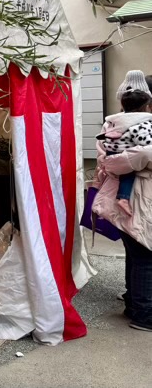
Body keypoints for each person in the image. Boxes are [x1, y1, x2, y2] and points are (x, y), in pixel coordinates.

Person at [93, 103, 152, 332]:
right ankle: (144, 315)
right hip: (137, 203)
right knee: (145, 257)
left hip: (128, 201)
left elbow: (110, 161)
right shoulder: (134, 128)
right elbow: (111, 161)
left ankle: (133, 305)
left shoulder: (113, 126)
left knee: (137, 255)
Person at [96, 90, 152, 215]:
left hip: (110, 152)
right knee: (128, 172)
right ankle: (123, 198)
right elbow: (146, 145)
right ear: (146, 107)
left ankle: (123, 198)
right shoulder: (142, 123)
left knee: (125, 174)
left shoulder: (114, 121)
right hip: (140, 187)